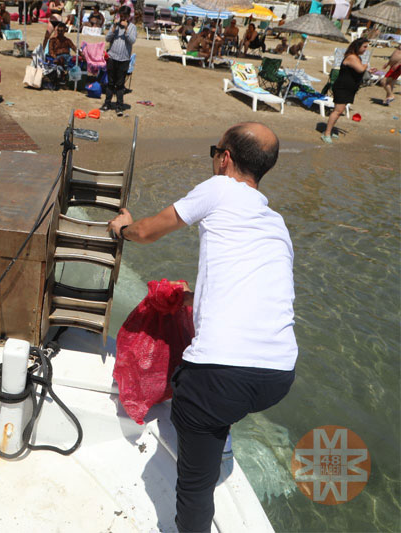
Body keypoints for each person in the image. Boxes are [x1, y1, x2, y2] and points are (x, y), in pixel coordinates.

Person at [108, 122, 297, 533]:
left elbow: (148, 231)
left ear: (225, 157)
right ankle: (219, 434)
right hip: (278, 375)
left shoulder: (219, 188)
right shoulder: (276, 223)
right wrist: (193, 298)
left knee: (194, 484)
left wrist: (121, 226)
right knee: (221, 407)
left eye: (215, 150)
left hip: (221, 376)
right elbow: (257, 288)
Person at [323, 38, 370, 143]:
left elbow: (357, 71)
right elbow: (361, 69)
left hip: (349, 88)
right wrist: (366, 65)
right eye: (364, 47)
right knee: (337, 111)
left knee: (339, 111)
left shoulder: (357, 58)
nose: (366, 49)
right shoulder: (352, 57)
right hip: (342, 87)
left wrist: (368, 69)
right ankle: (326, 133)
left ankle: (329, 130)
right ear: (358, 46)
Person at [102, 5, 136, 116]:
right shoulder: (115, 25)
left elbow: (132, 41)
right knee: (110, 82)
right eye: (121, 16)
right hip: (112, 57)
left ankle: (119, 106)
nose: (123, 18)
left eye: (125, 16)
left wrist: (126, 29)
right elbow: (107, 39)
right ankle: (107, 104)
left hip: (124, 59)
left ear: (129, 16)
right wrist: (113, 28)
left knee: (120, 84)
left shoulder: (132, 27)